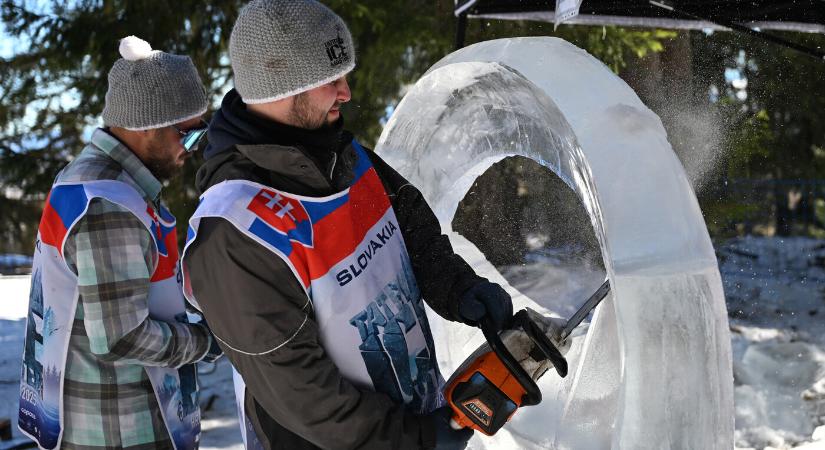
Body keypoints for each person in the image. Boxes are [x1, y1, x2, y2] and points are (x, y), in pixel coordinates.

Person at [181, 1, 513, 448]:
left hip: (405, 422)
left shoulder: (339, 152)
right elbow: (304, 394)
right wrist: (414, 440)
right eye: (330, 79)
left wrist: (457, 288)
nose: (346, 92)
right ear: (282, 87)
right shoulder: (232, 230)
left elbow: (407, 222)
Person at [18, 36, 220, 450]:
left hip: (102, 420)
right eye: (187, 133)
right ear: (145, 124)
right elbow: (120, 337)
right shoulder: (109, 202)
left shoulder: (91, 179)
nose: (192, 148)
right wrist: (210, 341)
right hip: (121, 431)